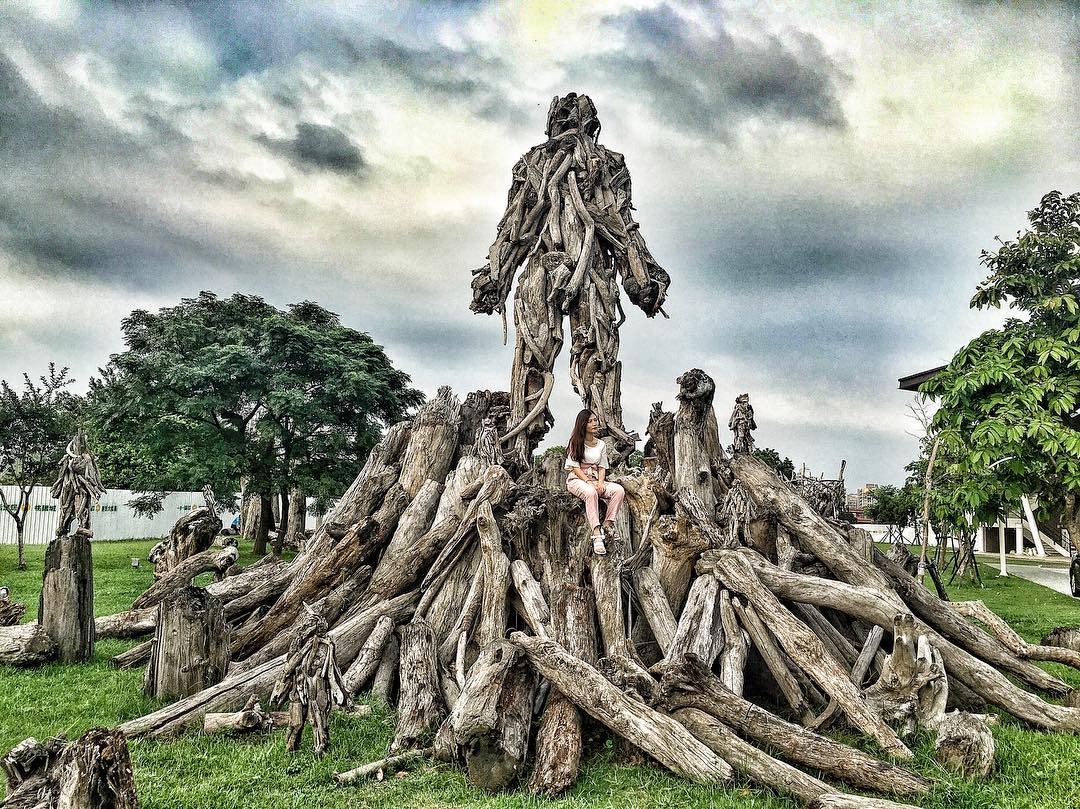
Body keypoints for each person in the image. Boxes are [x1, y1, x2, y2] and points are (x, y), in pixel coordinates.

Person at [565, 409, 625, 556]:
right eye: (590, 421)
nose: (594, 424)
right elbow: (575, 467)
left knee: (618, 491)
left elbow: (602, 466)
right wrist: (588, 482)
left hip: (595, 478)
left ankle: (608, 524)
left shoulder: (601, 444)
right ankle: (597, 533)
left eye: (595, 420)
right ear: (583, 424)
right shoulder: (575, 442)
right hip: (577, 479)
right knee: (591, 493)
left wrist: (600, 482)